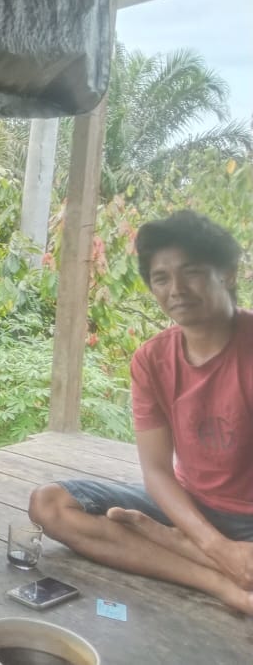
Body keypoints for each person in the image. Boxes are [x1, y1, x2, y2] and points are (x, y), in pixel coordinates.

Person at [29, 210, 253, 615]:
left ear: (228, 274)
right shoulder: (152, 359)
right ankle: (218, 579)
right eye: (161, 278)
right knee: (50, 505)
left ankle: (170, 543)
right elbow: (157, 472)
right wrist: (216, 546)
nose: (176, 289)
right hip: (188, 503)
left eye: (192, 272)